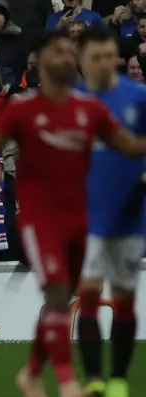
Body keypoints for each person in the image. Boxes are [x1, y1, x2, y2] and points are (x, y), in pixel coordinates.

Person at [0, 30, 146, 397]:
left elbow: (128, 146)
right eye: (58, 52)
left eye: (69, 53)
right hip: (38, 220)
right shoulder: (22, 110)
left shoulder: (90, 110)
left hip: (79, 218)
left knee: (61, 298)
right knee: (61, 292)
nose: (65, 59)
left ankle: (32, 372)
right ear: (42, 61)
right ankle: (66, 381)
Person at [75, 27, 146, 397]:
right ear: (82, 60)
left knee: (123, 299)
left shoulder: (139, 96)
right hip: (86, 216)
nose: (104, 63)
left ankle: (118, 378)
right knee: (87, 294)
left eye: (109, 56)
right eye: (96, 57)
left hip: (129, 215)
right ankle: (95, 379)